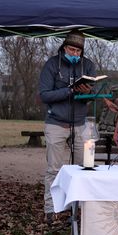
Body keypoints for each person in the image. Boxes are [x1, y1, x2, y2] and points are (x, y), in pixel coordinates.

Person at [38, 31, 96, 224]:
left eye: (78, 50)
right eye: (72, 49)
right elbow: (45, 95)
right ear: (64, 47)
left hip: (80, 125)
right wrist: (69, 91)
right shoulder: (52, 65)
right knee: (54, 169)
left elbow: (93, 95)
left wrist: (88, 92)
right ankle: (51, 209)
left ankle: (77, 208)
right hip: (56, 123)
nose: (75, 53)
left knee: (82, 168)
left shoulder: (87, 65)